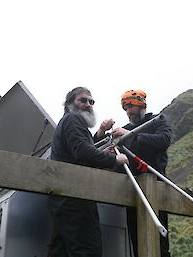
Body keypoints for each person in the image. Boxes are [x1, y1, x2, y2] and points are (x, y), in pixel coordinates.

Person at [48, 87, 129, 257]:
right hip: (76, 197)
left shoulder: (69, 123)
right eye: (82, 100)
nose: (88, 104)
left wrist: (102, 153)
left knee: (61, 250)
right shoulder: (72, 120)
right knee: (87, 249)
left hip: (63, 197)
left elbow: (80, 153)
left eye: (91, 102)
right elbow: (82, 151)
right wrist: (114, 160)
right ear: (70, 103)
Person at [95, 89, 172, 257]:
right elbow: (94, 148)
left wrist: (131, 135)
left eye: (131, 107)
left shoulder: (157, 120)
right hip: (132, 189)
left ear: (141, 105)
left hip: (156, 185)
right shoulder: (125, 129)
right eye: (125, 108)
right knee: (136, 240)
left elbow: (164, 140)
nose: (128, 112)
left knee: (160, 243)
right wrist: (101, 131)